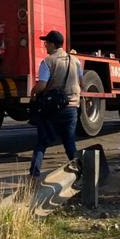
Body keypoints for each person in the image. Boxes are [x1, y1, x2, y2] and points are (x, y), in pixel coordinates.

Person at [29, 30, 82, 178]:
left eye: (46, 43)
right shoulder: (76, 61)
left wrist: (33, 93)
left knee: (42, 142)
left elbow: (42, 86)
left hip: (52, 109)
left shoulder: (48, 61)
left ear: (53, 44)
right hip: (72, 108)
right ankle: (81, 173)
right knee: (69, 143)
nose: (45, 45)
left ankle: (34, 175)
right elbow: (81, 82)